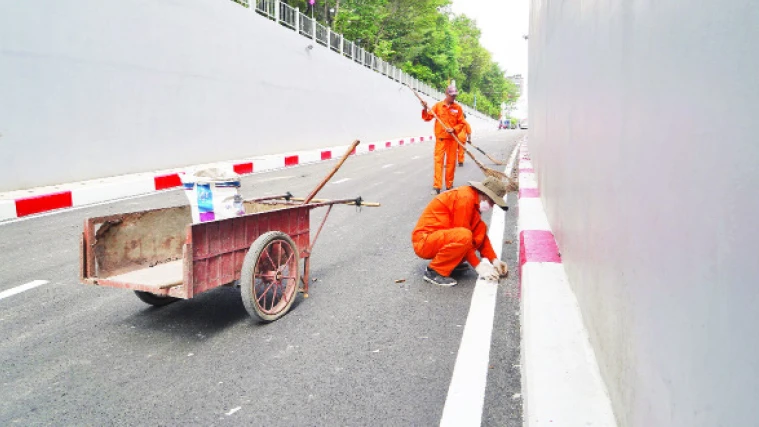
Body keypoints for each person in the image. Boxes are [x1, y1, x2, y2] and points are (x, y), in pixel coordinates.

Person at [411, 176, 510, 287]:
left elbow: (479, 233)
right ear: (484, 194)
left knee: (480, 227)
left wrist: (494, 260)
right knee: (464, 235)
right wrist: (478, 266)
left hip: (437, 237)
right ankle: (434, 271)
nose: (492, 206)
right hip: (424, 241)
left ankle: (451, 262)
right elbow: (463, 237)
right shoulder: (465, 199)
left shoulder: (473, 199)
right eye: (492, 202)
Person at [420, 85, 466, 195]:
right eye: (452, 95)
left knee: (451, 163)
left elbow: (462, 123)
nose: (453, 98)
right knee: (438, 162)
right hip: (441, 140)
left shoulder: (458, 108)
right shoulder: (438, 106)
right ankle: (437, 186)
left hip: (452, 140)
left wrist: (454, 129)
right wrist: (425, 108)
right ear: (446, 94)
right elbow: (427, 118)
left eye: (455, 96)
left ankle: (449, 185)